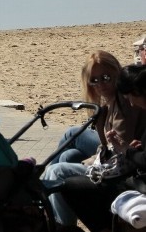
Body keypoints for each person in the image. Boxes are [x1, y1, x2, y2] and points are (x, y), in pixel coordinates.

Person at [41, 51, 145, 228]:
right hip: (120, 157)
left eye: (105, 78)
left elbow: (117, 146)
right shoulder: (111, 102)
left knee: (62, 158)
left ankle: (60, 223)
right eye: (94, 81)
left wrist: (97, 156)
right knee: (69, 156)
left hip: (123, 165)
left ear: (116, 74)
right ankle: (54, 207)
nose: (101, 85)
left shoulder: (125, 102)